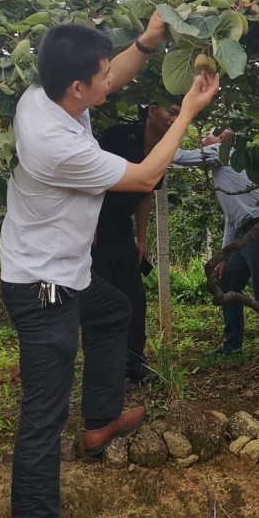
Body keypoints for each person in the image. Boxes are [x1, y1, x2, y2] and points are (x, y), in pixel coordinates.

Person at [0, 14, 219, 518]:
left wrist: (147, 42)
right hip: (41, 289)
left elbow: (114, 73)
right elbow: (146, 177)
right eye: (100, 77)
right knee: (42, 419)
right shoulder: (56, 144)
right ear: (77, 88)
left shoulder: (45, 97)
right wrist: (189, 114)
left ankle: (99, 420)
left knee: (115, 310)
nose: (108, 83)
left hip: (62, 272)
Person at [172, 130, 259, 356]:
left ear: (218, 141)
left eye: (207, 134)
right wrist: (224, 256)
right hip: (246, 233)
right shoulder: (228, 168)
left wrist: (172, 127)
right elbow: (232, 218)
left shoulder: (221, 152)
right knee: (227, 283)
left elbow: (178, 156)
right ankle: (232, 346)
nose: (202, 137)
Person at [92, 102, 182, 381]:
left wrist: (141, 240)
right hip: (95, 233)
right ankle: (102, 369)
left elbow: (146, 194)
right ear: (153, 110)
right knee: (100, 302)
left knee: (134, 299)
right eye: (172, 111)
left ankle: (134, 363)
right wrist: (88, 223)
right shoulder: (119, 135)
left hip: (122, 233)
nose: (174, 118)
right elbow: (88, 173)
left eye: (180, 113)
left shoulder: (160, 153)